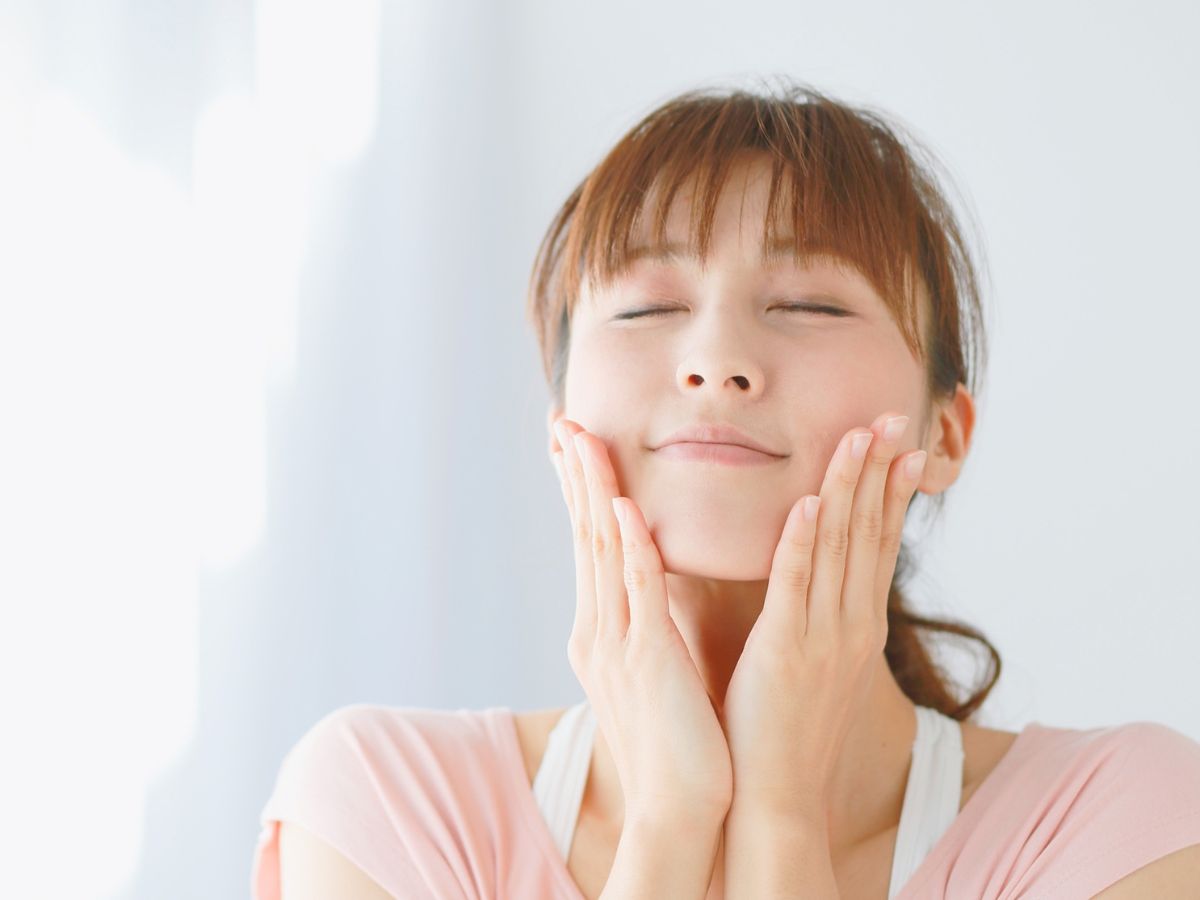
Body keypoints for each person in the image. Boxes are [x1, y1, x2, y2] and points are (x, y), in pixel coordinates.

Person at [251, 79, 1200, 898]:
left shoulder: (1120, 822)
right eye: (648, 307)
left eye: (810, 305)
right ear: (559, 429)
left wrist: (779, 816)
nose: (714, 362)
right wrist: (669, 818)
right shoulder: (387, 803)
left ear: (943, 433)